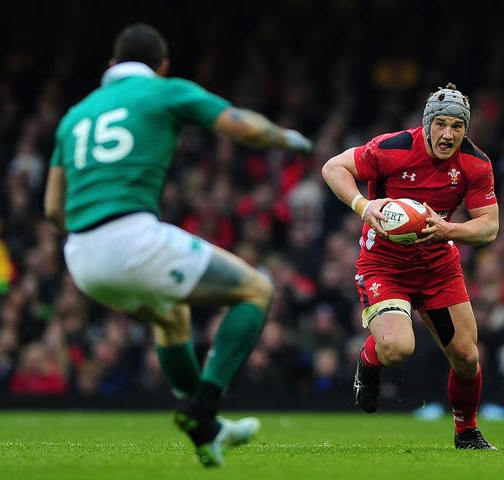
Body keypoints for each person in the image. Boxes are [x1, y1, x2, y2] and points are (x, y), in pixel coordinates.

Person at [44, 22, 313, 467]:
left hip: (82, 257)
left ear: (111, 66)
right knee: (256, 290)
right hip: (131, 237)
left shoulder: (74, 115)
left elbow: (54, 208)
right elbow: (241, 127)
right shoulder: (165, 92)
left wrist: (93, 233)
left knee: (171, 317)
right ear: (162, 66)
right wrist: (287, 139)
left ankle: (208, 435)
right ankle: (202, 406)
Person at [321, 83, 499, 449]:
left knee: (467, 358)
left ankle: (466, 433)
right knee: (398, 349)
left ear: (466, 129)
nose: (448, 134)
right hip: (384, 266)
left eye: (457, 126)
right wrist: (363, 205)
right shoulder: (393, 148)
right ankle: (369, 363)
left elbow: (489, 226)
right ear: (427, 123)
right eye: (441, 125)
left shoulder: (475, 162)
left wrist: (450, 229)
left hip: (438, 268)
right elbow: (332, 167)